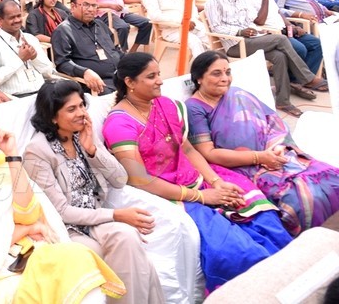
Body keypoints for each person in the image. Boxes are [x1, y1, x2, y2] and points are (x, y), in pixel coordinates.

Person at [102, 53, 292, 293]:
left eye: (159, 74)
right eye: (151, 76)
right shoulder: (120, 123)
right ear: (130, 82)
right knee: (237, 251)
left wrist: (216, 182)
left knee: (267, 222)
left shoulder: (166, 105)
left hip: (199, 178)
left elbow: (188, 149)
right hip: (168, 195)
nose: (160, 81)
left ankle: (291, 283)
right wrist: (203, 197)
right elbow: (141, 180)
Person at [0, 91, 126, 303]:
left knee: (79, 261)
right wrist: (24, 231)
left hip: (24, 252)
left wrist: (12, 155)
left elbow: (28, 213)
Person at [24, 80, 166, 304]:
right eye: (72, 109)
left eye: (82, 105)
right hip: (67, 230)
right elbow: (62, 212)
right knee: (134, 251)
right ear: (52, 116)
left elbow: (120, 179)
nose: (81, 113)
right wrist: (117, 216)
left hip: (95, 222)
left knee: (134, 249)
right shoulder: (37, 151)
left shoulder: (83, 136)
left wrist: (93, 151)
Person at [185, 51, 339, 237]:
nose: (225, 78)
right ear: (199, 78)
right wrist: (260, 157)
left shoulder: (237, 94)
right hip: (242, 166)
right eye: (216, 73)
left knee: (332, 178)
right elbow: (208, 153)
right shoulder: (194, 107)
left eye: (227, 72)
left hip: (275, 155)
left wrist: (277, 148)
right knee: (302, 198)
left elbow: (272, 122)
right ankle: (313, 243)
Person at [204, 0, 327, 117]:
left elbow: (251, 21)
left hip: (251, 39)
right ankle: (307, 77)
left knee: (279, 56)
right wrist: (240, 31)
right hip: (235, 44)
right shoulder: (215, 0)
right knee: (281, 39)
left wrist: (258, 30)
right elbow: (216, 28)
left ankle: (283, 100)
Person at [242, 0, 323, 88]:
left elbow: (278, 12)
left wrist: (291, 26)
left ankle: (299, 80)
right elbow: (259, 21)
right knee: (300, 48)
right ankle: (297, 80)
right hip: (270, 34)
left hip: (284, 29)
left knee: (316, 43)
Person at [52, 0, 123, 95]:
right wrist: (84, 72)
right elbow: (62, 63)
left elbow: (114, 49)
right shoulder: (63, 30)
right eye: (86, 5)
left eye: (94, 6)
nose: (91, 9)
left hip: (120, 76)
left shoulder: (100, 25)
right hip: (97, 84)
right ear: (73, 6)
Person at [0, 0, 57, 97]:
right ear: (0, 20)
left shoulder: (31, 39)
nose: (17, 20)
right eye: (12, 18)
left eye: (18, 16)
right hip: (17, 99)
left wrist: (35, 58)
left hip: (42, 94)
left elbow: (48, 72)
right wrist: (19, 60)